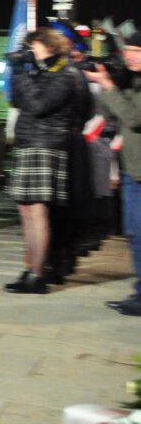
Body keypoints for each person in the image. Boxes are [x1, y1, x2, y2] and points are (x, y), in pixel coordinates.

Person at [4, 27, 86, 295]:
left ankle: (38, 275)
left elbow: (39, 106)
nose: (31, 50)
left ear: (50, 46)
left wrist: (22, 73)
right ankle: (30, 269)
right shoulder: (39, 71)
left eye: (35, 45)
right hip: (28, 143)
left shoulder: (65, 72)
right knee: (25, 210)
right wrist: (17, 71)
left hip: (46, 146)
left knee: (38, 210)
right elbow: (17, 100)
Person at [83, 32, 141, 315]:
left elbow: (134, 118)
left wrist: (109, 86)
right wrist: (107, 83)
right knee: (135, 234)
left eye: (137, 51)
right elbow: (110, 116)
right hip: (133, 170)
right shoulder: (131, 81)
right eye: (128, 50)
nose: (130, 55)